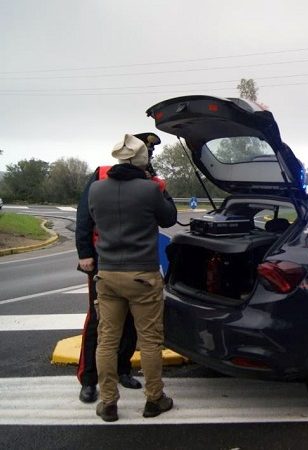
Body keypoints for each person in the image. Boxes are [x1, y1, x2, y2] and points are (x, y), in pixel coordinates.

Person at [88, 133, 177, 422]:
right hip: (142, 275)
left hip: (108, 274)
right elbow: (169, 218)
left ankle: (109, 402)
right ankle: (154, 399)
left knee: (107, 341)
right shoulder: (149, 190)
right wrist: (160, 188)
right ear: (143, 161)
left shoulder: (96, 190)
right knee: (150, 341)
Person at [75, 132, 163, 403]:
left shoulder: (146, 179)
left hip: (123, 265)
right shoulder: (101, 175)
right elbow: (83, 216)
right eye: (147, 152)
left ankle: (122, 369)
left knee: (130, 325)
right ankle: (89, 379)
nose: (149, 158)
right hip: (102, 259)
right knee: (99, 324)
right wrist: (85, 253)